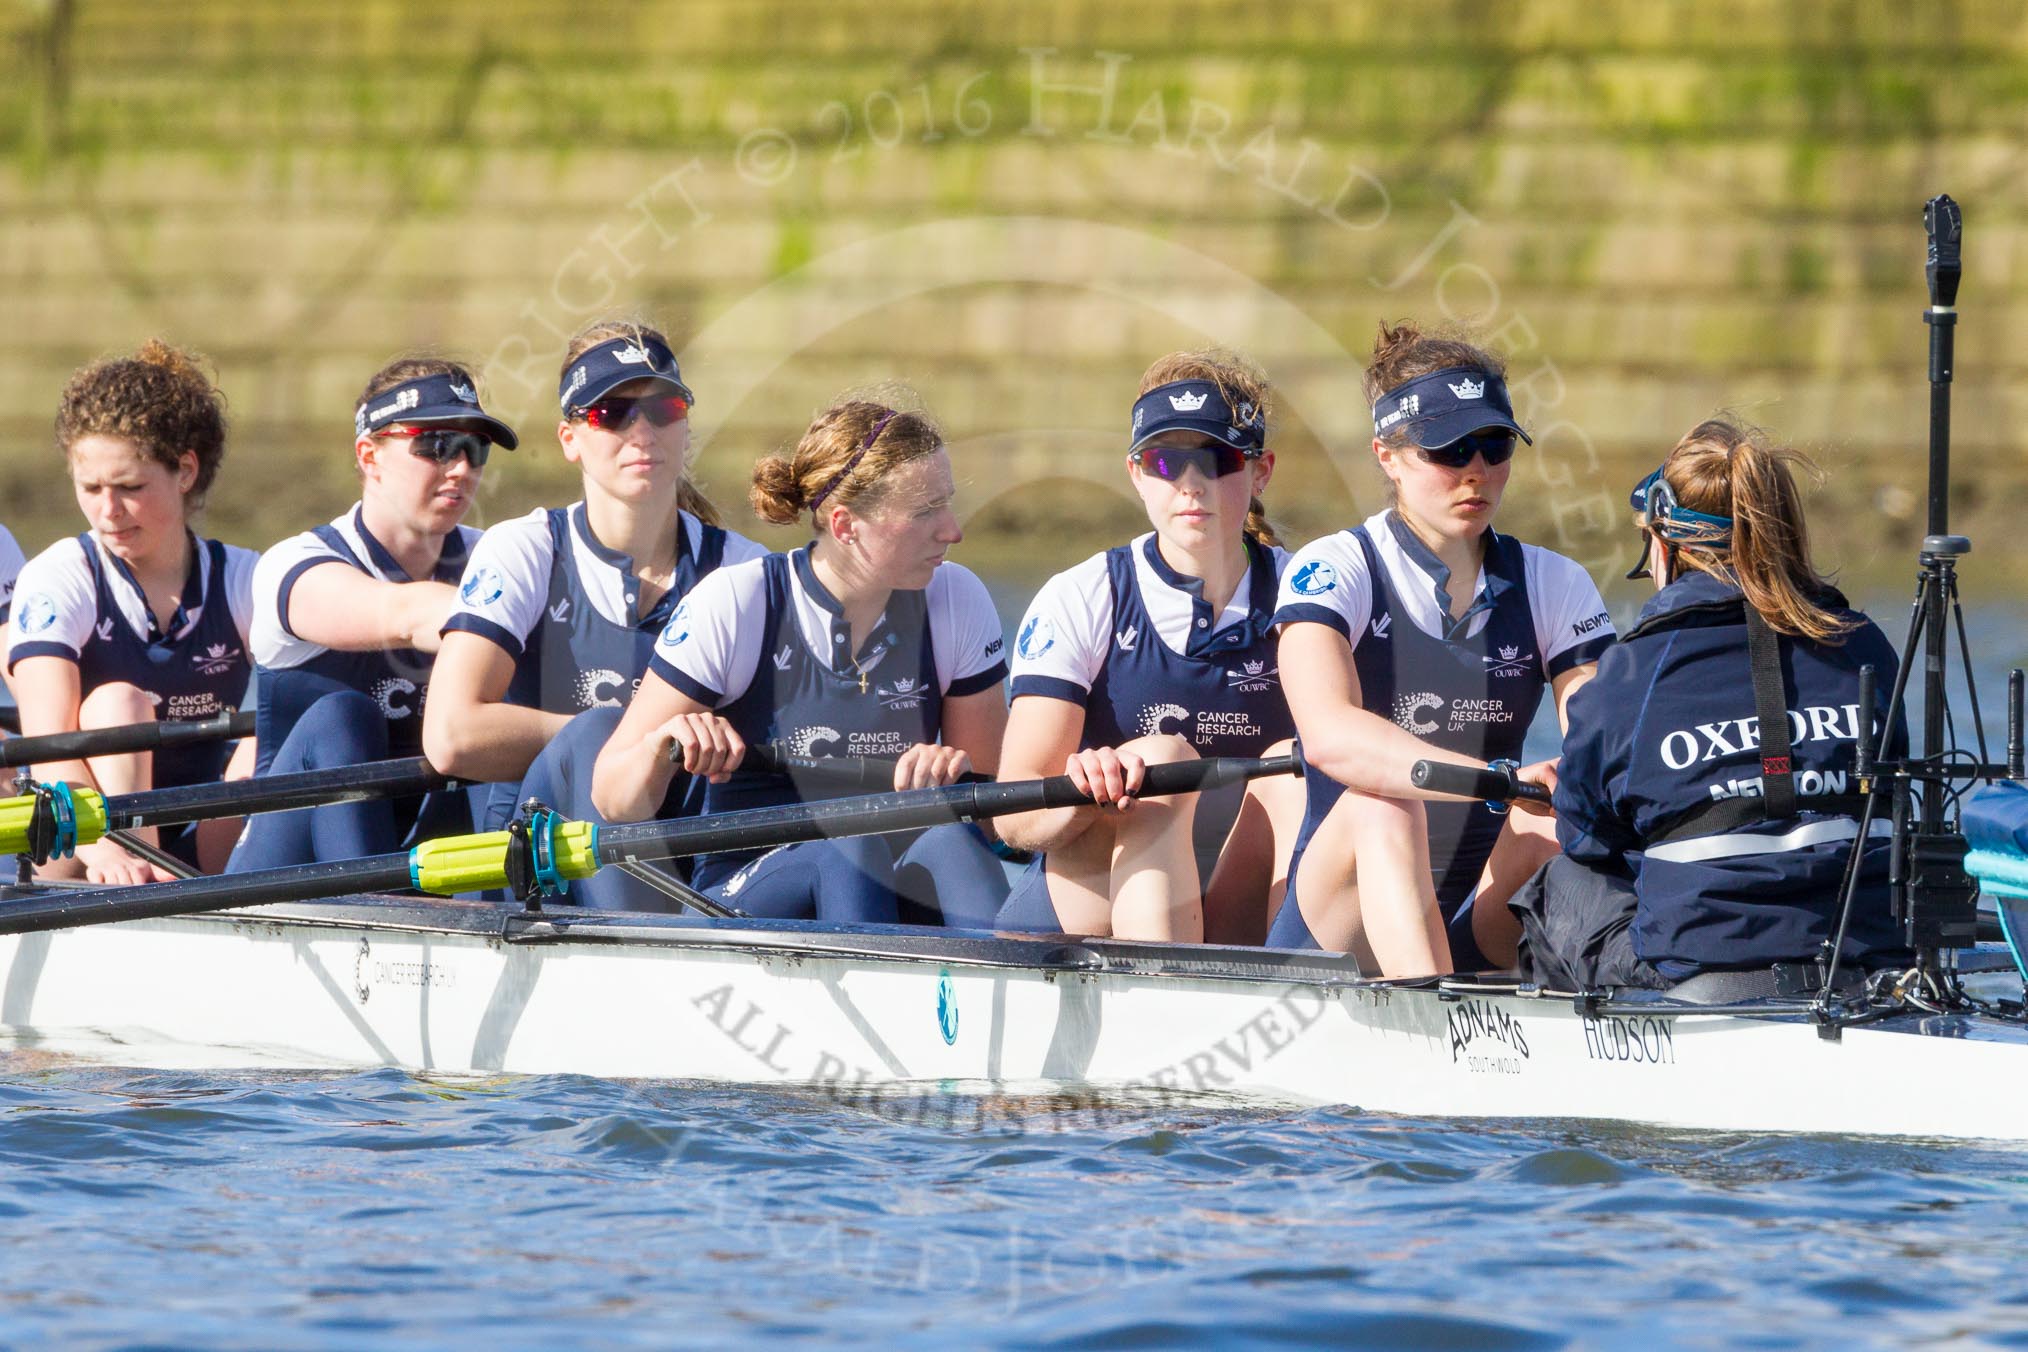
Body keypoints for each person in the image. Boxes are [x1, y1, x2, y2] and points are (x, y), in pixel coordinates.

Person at [1266, 321, 1615, 975]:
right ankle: (1440, 1032)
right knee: (1383, 805)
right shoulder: (1333, 570)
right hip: (1339, 922)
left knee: (1564, 818)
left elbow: (1601, 735)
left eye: (1494, 443)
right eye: (1448, 450)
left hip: (1471, 912)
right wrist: (1498, 782)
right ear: (1387, 455)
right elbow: (1332, 739)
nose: (1477, 470)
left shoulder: (1552, 582)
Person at [1510, 418, 1906, 990]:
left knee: (1559, 881)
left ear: (1665, 546)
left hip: (1702, 964)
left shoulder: (1632, 670)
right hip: (1863, 948)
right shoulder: (1863, 643)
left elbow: (1585, 833)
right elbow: (1889, 791)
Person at [591, 395, 1010, 925]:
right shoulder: (739, 603)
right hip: (743, 891)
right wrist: (662, 748)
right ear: (844, 524)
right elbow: (612, 798)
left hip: (896, 878)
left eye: (946, 503)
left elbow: (1002, 823)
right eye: (925, 511)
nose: (953, 530)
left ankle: (1017, 997)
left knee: (957, 843)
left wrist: (958, 787)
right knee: (847, 848)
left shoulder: (956, 599)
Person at [422, 319, 766, 853]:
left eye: (663, 410)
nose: (643, 432)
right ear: (570, 440)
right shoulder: (526, 550)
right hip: (534, 859)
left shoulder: (743, 569)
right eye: (613, 414)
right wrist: (635, 741)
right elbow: (451, 737)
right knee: (594, 734)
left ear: (686, 426)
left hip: (692, 851)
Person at [994, 350, 1303, 944]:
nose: (1191, 485)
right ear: (1137, 473)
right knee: (1163, 761)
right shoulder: (1083, 597)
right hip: (1089, 908)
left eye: (1217, 460)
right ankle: (1159, 982)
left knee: (1295, 767)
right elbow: (1013, 814)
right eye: (1166, 462)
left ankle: (1310, 985)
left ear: (1260, 471)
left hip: (1239, 896)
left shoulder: (1308, 595)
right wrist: (1084, 796)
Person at [227, 358, 517, 870]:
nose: (461, 469)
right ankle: (375, 904)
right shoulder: (294, 565)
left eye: (475, 449)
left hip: (435, 847)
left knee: (499, 739)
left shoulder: (497, 557)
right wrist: (522, 612)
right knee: (344, 718)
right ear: (370, 455)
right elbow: (403, 612)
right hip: (290, 861)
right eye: (436, 446)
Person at [7, 340, 257, 883]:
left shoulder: (243, 579)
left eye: (129, 488)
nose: (107, 511)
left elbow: (290, 718)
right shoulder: (58, 579)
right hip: (75, 836)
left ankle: (226, 885)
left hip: (199, 828)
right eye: (90, 487)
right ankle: (140, 882)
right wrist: (110, 852)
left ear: (185, 471)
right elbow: (47, 747)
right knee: (119, 704)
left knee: (282, 720)